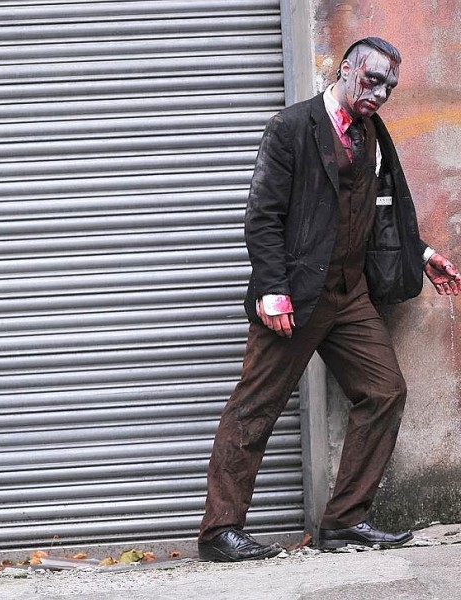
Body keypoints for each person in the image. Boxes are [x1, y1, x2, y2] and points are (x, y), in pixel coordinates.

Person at [197, 37, 461, 562]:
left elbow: (384, 210)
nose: (380, 94)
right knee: (255, 407)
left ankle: (343, 523)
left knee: (384, 392)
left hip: (349, 293)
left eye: (389, 86)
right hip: (296, 295)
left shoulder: (373, 133)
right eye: (371, 80)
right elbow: (263, 216)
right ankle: (220, 530)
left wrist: (423, 251)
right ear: (344, 70)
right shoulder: (291, 127)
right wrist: (272, 291)